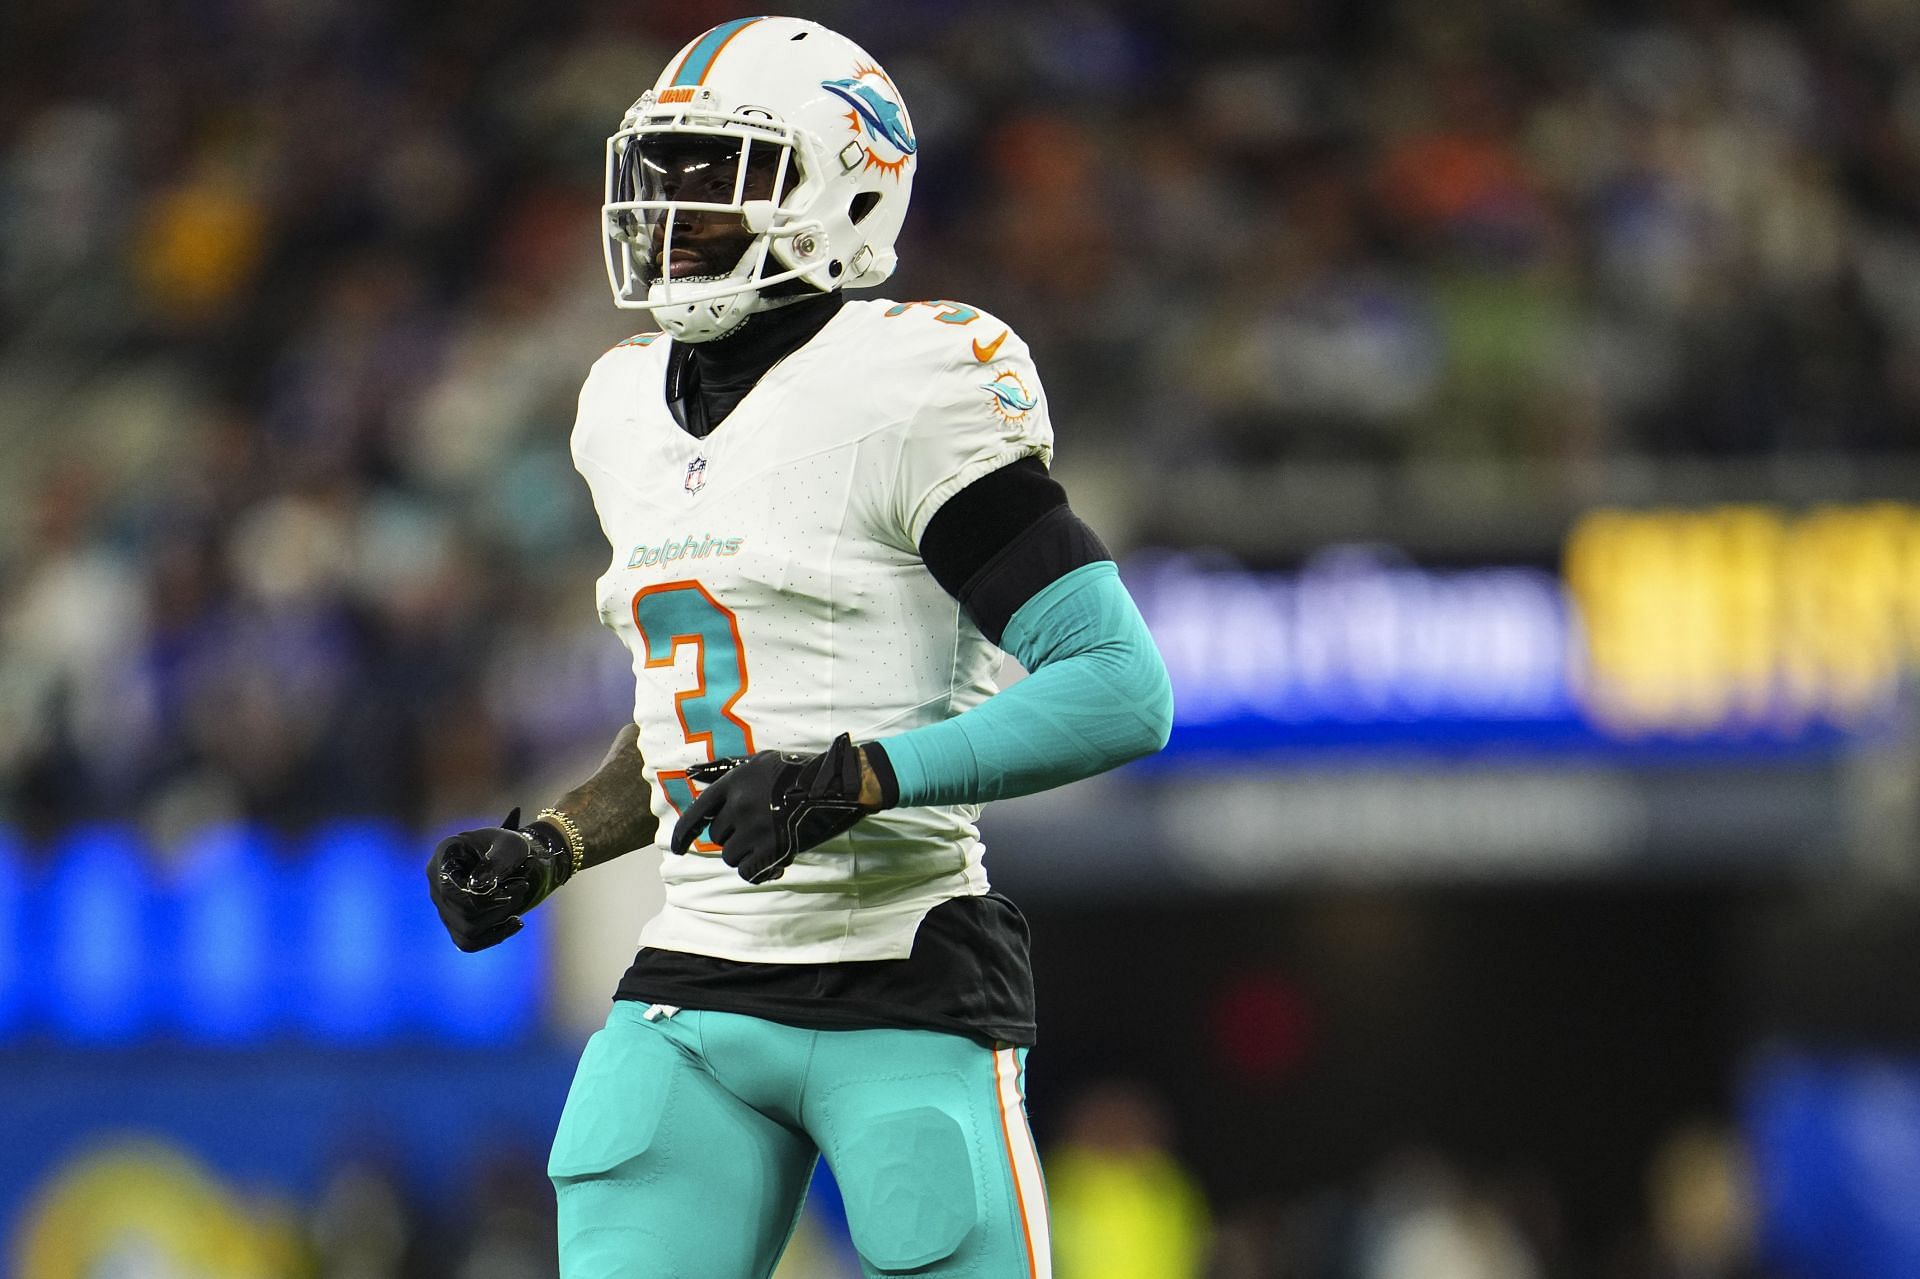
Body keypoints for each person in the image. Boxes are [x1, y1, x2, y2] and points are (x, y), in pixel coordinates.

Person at [424, 16, 1173, 1278]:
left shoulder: (908, 388)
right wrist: (554, 841)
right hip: (697, 982)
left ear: (847, 189)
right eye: (662, 173)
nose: (669, 209)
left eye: (718, 176)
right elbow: (694, 709)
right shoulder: (619, 404)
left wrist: (857, 778)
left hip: (905, 971)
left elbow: (1119, 687)